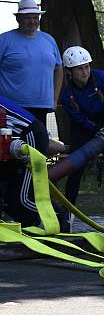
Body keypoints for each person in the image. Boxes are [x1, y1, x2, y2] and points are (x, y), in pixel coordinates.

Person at [59, 46, 104, 233]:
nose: (84, 72)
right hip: (82, 128)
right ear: (69, 71)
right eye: (78, 68)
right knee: (75, 172)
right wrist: (97, 131)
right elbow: (79, 119)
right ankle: (66, 219)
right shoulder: (67, 95)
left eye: (86, 67)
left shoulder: (101, 78)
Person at [0, 0, 63, 130]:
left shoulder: (49, 40)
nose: (32, 21)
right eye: (27, 18)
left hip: (42, 106)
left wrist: (55, 99)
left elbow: (58, 69)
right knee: (13, 146)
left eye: (35, 17)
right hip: (12, 107)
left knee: (39, 145)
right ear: (18, 19)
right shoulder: (4, 40)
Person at [0, 95, 51, 227]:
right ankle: (31, 225)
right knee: (8, 199)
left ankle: (60, 215)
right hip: (20, 139)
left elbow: (6, 132)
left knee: (22, 200)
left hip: (31, 136)